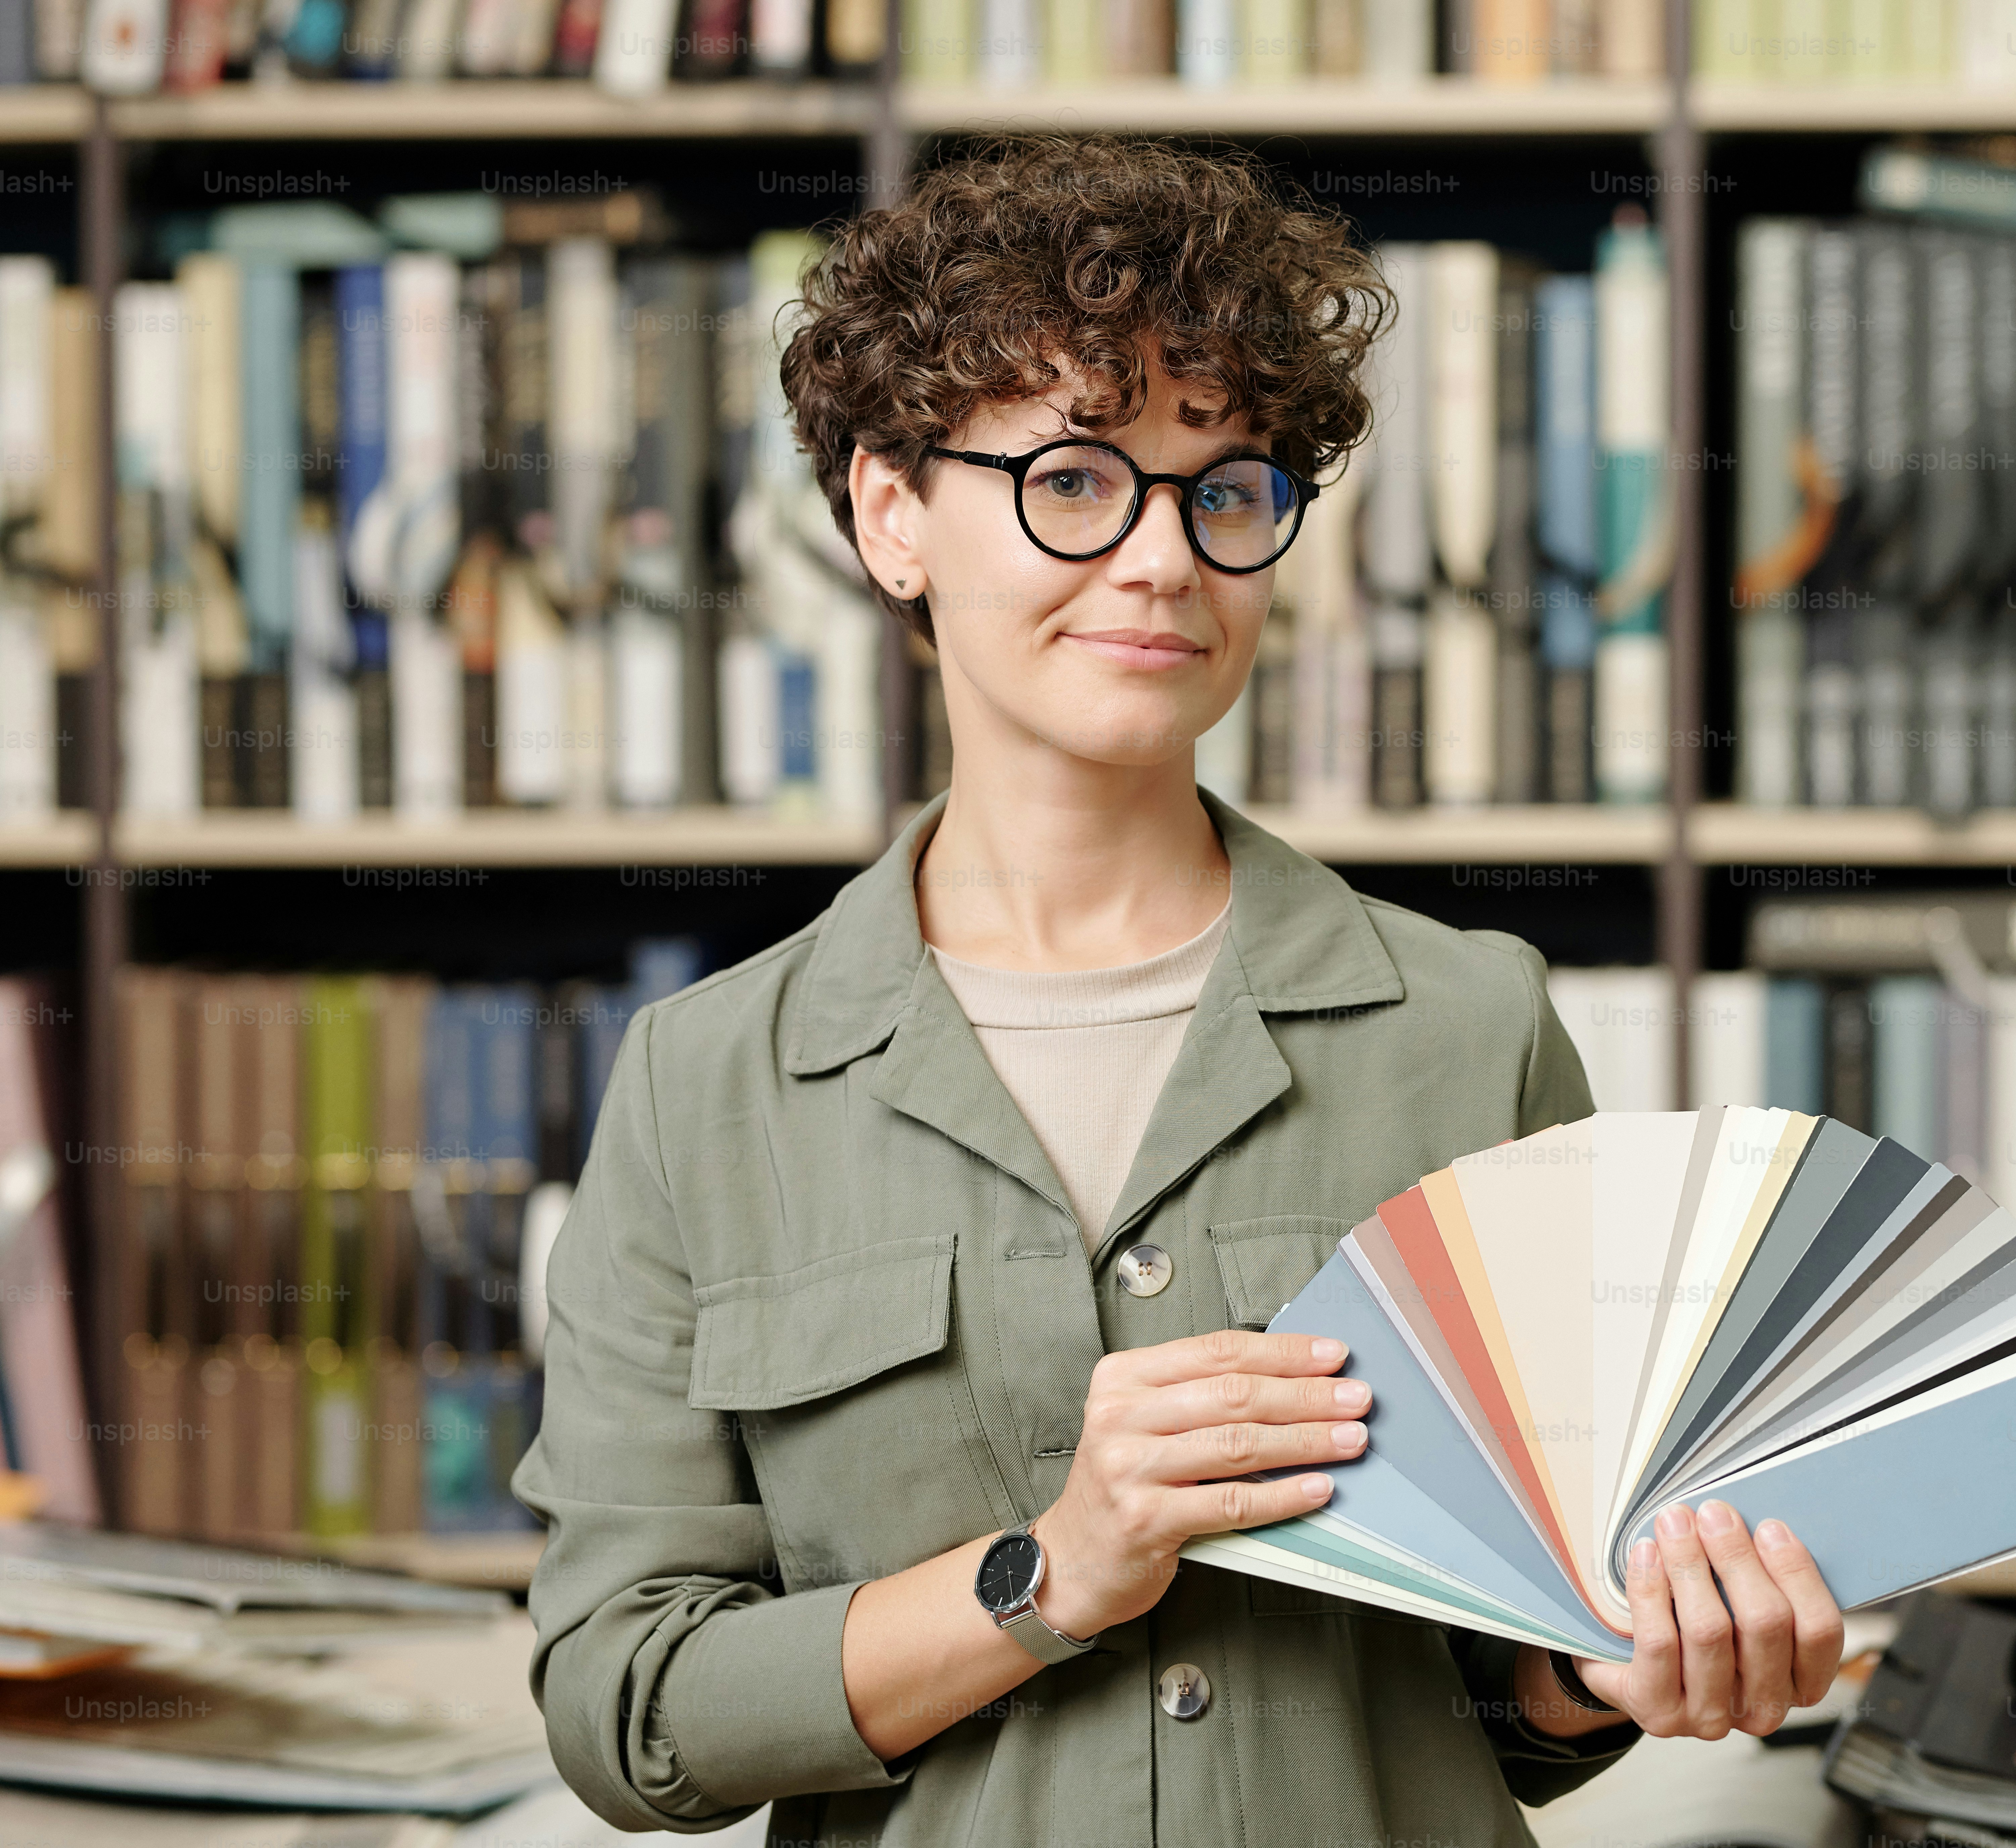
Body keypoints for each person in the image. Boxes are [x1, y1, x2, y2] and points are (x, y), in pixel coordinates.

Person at [516, 133, 1845, 1848]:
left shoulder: (1474, 1026)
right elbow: (628, 1713)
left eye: (1224, 490)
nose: (1162, 559)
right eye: (1075, 479)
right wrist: (1052, 1569)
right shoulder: (705, 1084)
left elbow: (1506, 1691)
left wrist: (1617, 1665)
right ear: (892, 512)